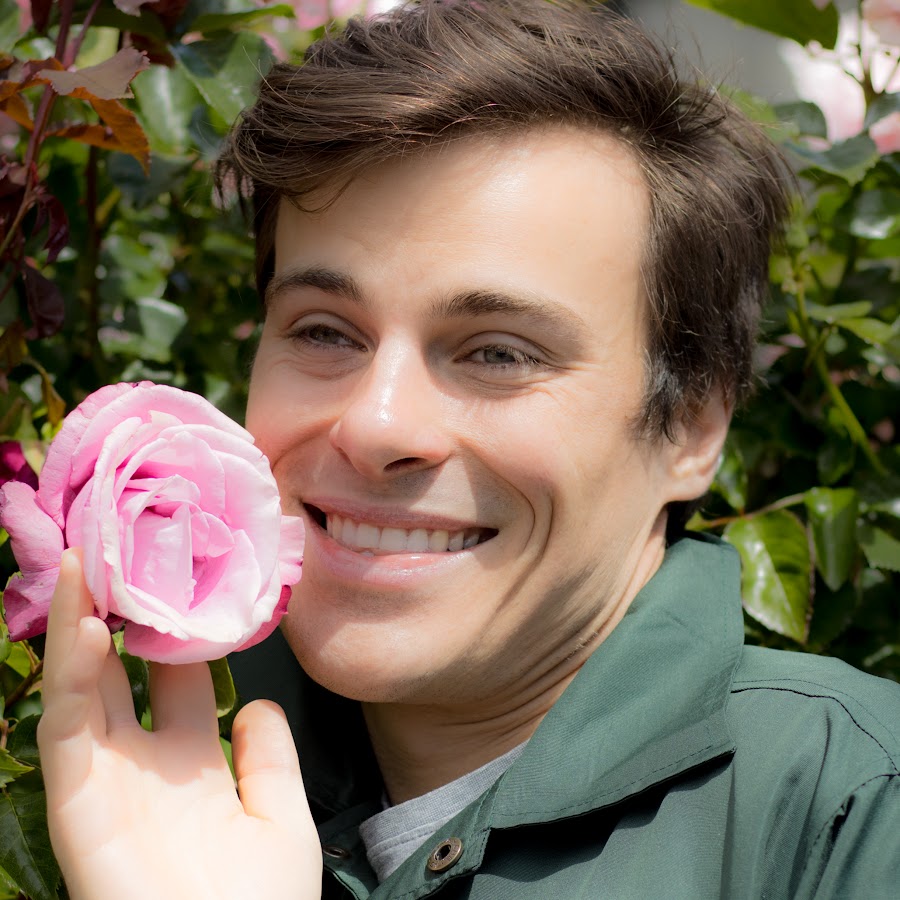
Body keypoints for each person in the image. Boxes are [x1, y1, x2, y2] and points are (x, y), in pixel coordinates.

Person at [36, 1, 900, 898]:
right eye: (325, 331)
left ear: (690, 427)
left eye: (498, 353)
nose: (376, 426)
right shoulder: (123, 763)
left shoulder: (849, 816)